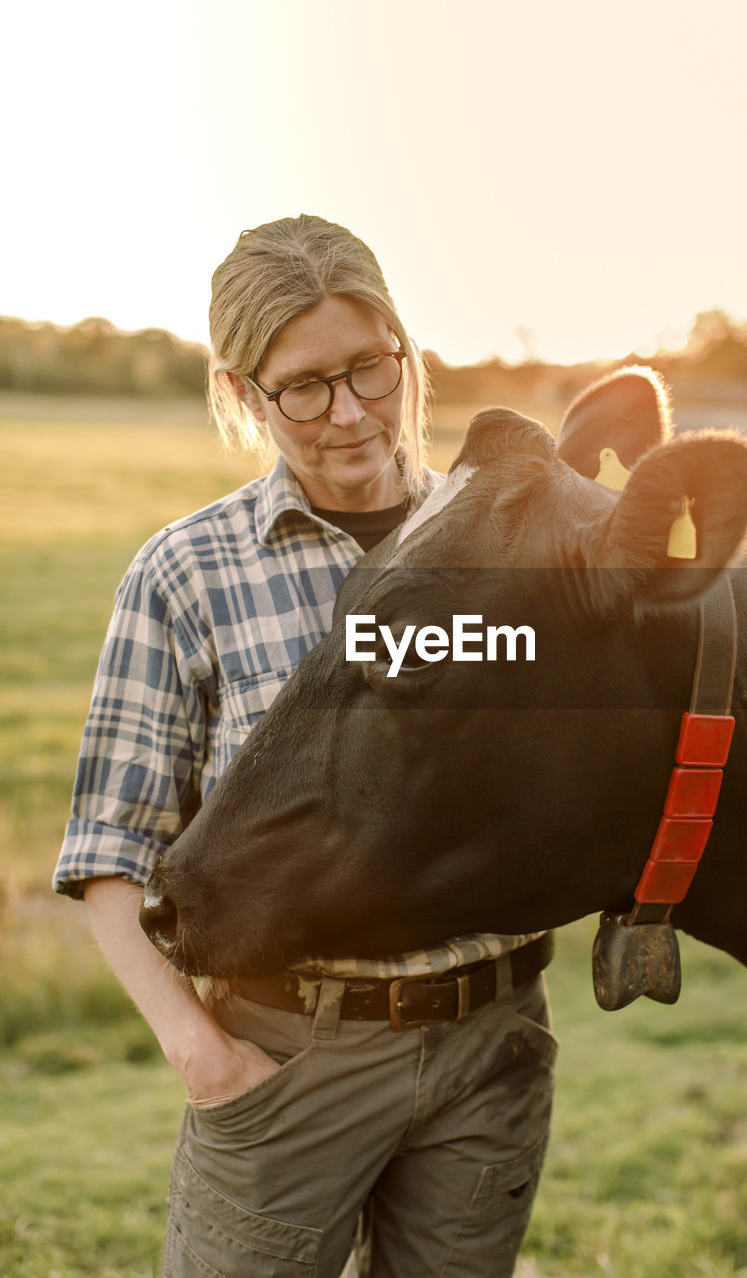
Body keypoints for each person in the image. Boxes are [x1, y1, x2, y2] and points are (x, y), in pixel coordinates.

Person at [53, 214, 557, 1278]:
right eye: (304, 387)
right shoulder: (187, 574)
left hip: (490, 1045)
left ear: (406, 350)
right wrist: (205, 1055)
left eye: (370, 369)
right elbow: (108, 849)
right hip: (286, 1051)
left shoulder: (505, 554)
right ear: (242, 394)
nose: (351, 413)